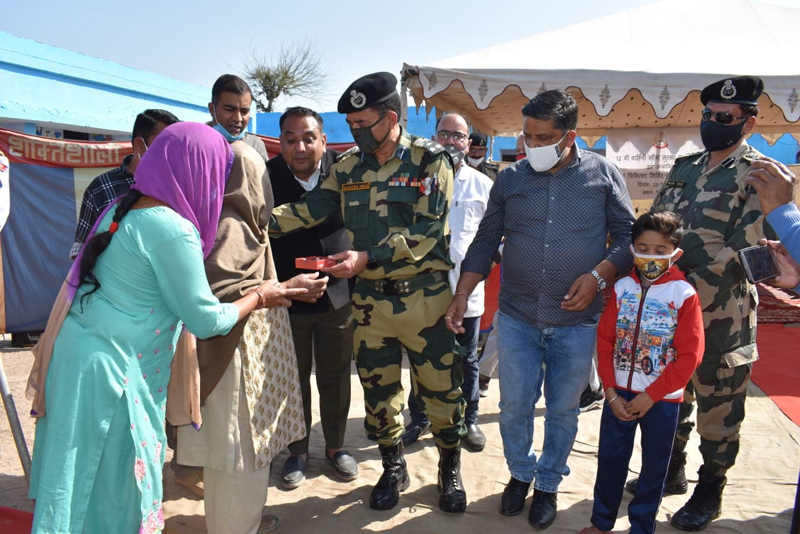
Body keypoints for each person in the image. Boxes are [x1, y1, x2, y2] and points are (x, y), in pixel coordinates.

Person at [27, 123, 305, 533]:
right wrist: (262, 295)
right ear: (199, 172)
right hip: (114, 375)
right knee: (117, 482)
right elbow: (207, 319)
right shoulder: (173, 229)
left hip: (80, 360)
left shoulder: (122, 207)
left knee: (82, 479)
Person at [270, 72, 468, 514]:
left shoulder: (430, 161)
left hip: (425, 300)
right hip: (371, 303)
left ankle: (448, 468)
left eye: (363, 122)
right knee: (379, 392)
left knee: (441, 391)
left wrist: (366, 257)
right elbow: (309, 209)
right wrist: (251, 219)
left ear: (390, 117)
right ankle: (391, 466)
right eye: (350, 123)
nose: (355, 130)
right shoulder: (346, 168)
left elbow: (428, 232)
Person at [446, 89, 635, 529]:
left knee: (562, 410)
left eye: (543, 137)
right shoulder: (511, 180)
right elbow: (486, 240)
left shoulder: (603, 175)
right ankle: (519, 473)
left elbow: (628, 238)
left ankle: (548, 483)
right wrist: (462, 294)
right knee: (514, 406)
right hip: (516, 317)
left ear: (570, 136)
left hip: (576, 322)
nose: (532, 145)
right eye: (527, 136)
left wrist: (599, 276)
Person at [631, 76, 771, 532]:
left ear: (748, 121)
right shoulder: (685, 166)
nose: (713, 123)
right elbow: (657, 227)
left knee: (719, 402)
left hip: (721, 311)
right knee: (673, 391)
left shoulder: (760, 174)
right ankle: (670, 468)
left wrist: (685, 284)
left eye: (724, 118)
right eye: (707, 115)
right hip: (669, 306)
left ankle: (710, 486)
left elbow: (750, 248)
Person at [578, 211, 705, 534]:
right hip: (618, 395)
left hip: (661, 400)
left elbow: (691, 355)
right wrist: (610, 392)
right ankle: (601, 522)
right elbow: (605, 342)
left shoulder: (683, 294)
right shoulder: (621, 288)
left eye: (660, 250)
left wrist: (652, 396)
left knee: (654, 469)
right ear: (632, 250)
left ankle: (641, 527)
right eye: (643, 247)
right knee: (609, 462)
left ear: (675, 252)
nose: (650, 255)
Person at [267, 106, 358, 489]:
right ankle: (297, 450)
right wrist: (286, 286)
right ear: (281, 143)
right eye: (290, 139)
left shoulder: (348, 172)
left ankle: (336, 447)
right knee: (294, 376)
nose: (300, 147)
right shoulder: (265, 178)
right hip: (289, 295)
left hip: (339, 294)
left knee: (337, 374)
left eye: (308, 138)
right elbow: (259, 236)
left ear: (323, 139)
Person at [402, 113, 492, 453]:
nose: (451, 141)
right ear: (433, 138)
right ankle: (420, 417)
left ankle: (468, 421)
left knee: (466, 360)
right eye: (445, 134)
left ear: (468, 143)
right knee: (421, 357)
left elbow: (493, 239)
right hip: (422, 292)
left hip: (465, 292)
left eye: (459, 136)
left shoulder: (483, 186)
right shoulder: (414, 182)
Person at [70, 109, 179, 259]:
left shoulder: (178, 186)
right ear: (140, 145)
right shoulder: (101, 188)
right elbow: (80, 252)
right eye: (163, 145)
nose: (170, 153)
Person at [208, 74, 270, 163]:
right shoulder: (196, 143)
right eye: (229, 109)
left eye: (244, 111)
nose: (238, 118)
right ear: (212, 109)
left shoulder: (256, 146)